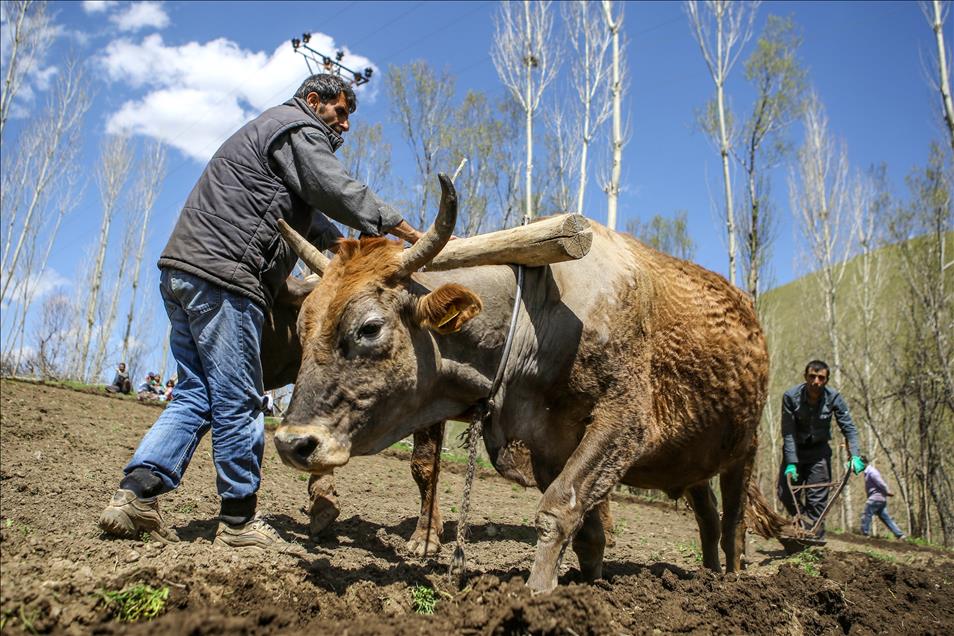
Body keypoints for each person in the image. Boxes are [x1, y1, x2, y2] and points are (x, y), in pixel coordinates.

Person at [98, 73, 424, 549]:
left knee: (196, 394)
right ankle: (238, 522)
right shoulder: (295, 127)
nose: (345, 125)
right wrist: (410, 233)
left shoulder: (275, 150)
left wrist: (360, 259)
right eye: (340, 112)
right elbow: (337, 188)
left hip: (184, 272)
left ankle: (136, 495)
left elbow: (320, 226)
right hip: (226, 278)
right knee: (240, 397)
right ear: (313, 101)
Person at [777, 360, 866, 539]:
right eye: (812, 376)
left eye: (821, 378)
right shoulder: (790, 397)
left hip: (819, 453)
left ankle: (814, 538)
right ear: (805, 377)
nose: (816, 382)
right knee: (785, 493)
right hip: (795, 450)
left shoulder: (834, 397)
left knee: (817, 500)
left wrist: (855, 455)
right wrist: (791, 462)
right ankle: (805, 523)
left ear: (826, 380)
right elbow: (788, 432)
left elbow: (849, 428)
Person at [860, 461, 906, 540]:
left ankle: (864, 533)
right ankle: (900, 535)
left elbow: (881, 483)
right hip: (879, 498)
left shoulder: (872, 472)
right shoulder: (868, 472)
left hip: (875, 498)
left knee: (867, 514)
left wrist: (887, 491)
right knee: (885, 517)